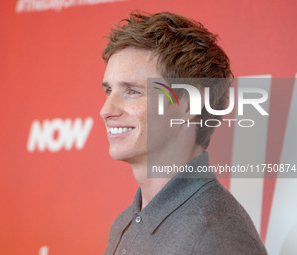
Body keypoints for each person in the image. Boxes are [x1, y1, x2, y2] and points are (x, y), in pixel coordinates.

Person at [100, 11, 267, 255]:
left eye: (132, 91)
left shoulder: (216, 238)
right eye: (109, 91)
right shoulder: (124, 223)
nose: (106, 110)